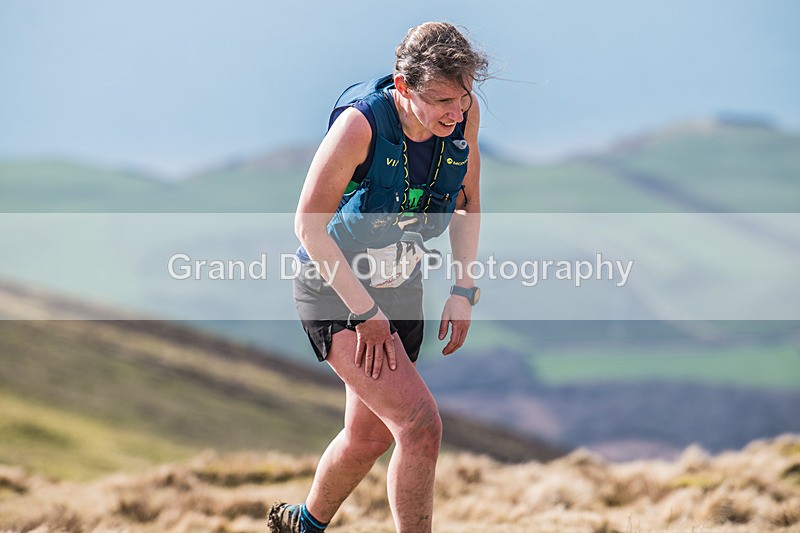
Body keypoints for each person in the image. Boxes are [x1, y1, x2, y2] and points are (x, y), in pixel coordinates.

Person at [269, 21, 488, 533]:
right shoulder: (359, 126)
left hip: (401, 286)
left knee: (367, 438)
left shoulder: (462, 115)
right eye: (441, 102)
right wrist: (365, 315)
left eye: (463, 98)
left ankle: (300, 525)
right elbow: (307, 225)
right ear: (404, 86)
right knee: (419, 425)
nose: (455, 113)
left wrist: (462, 289)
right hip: (336, 289)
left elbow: (468, 201)